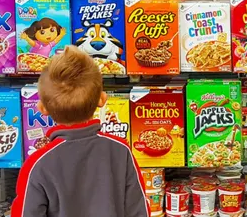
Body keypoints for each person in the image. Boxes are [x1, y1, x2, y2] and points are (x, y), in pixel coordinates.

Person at [11, 46, 149, 217]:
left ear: (42, 108)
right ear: (102, 99)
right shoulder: (121, 151)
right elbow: (139, 210)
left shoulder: (37, 164)